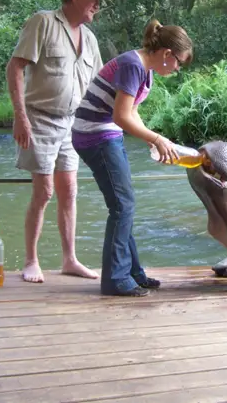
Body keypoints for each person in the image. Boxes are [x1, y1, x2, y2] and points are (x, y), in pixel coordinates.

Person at [71, 19, 193, 296]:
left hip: (107, 133)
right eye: (178, 63)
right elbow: (121, 116)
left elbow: (131, 112)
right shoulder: (133, 65)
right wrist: (156, 138)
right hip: (94, 135)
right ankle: (115, 279)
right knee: (122, 206)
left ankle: (133, 273)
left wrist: (157, 140)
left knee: (124, 205)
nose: (177, 69)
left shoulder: (144, 69)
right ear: (166, 54)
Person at [6, 0, 110, 283]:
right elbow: (15, 66)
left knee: (70, 191)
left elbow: (99, 85)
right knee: (45, 191)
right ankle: (31, 260)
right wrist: (20, 116)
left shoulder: (90, 39)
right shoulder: (43, 22)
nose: (97, 5)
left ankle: (69, 260)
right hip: (39, 118)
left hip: (73, 123)